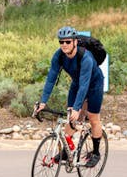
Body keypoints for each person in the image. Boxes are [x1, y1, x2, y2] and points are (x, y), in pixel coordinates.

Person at [35, 25, 105, 167]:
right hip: (77, 84)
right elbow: (51, 79)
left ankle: (96, 153)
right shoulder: (59, 56)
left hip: (94, 85)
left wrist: (78, 108)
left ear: (75, 42)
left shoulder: (86, 58)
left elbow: (85, 85)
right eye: (61, 42)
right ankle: (67, 151)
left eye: (68, 42)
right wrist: (43, 102)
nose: (64, 45)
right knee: (71, 119)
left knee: (93, 118)